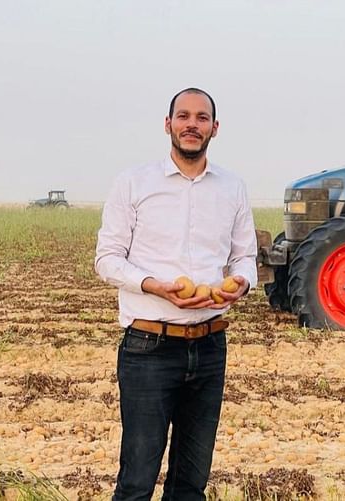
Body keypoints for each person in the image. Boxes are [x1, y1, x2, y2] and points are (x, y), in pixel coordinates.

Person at [95, 87, 258, 500]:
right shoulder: (133, 183)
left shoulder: (232, 187)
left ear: (214, 129)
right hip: (148, 347)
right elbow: (107, 259)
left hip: (209, 347)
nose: (192, 124)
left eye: (202, 118)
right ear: (168, 124)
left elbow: (245, 258)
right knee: (136, 482)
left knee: (190, 484)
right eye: (183, 116)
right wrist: (155, 286)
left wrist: (239, 284)